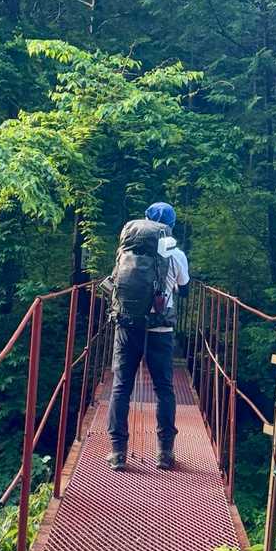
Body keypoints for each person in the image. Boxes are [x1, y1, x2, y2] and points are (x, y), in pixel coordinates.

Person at [105, 201, 189, 471]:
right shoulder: (176, 254)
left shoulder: (126, 250)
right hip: (160, 329)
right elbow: (184, 287)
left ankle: (118, 452)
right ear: (171, 226)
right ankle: (164, 453)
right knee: (164, 388)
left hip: (128, 325)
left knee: (121, 387)